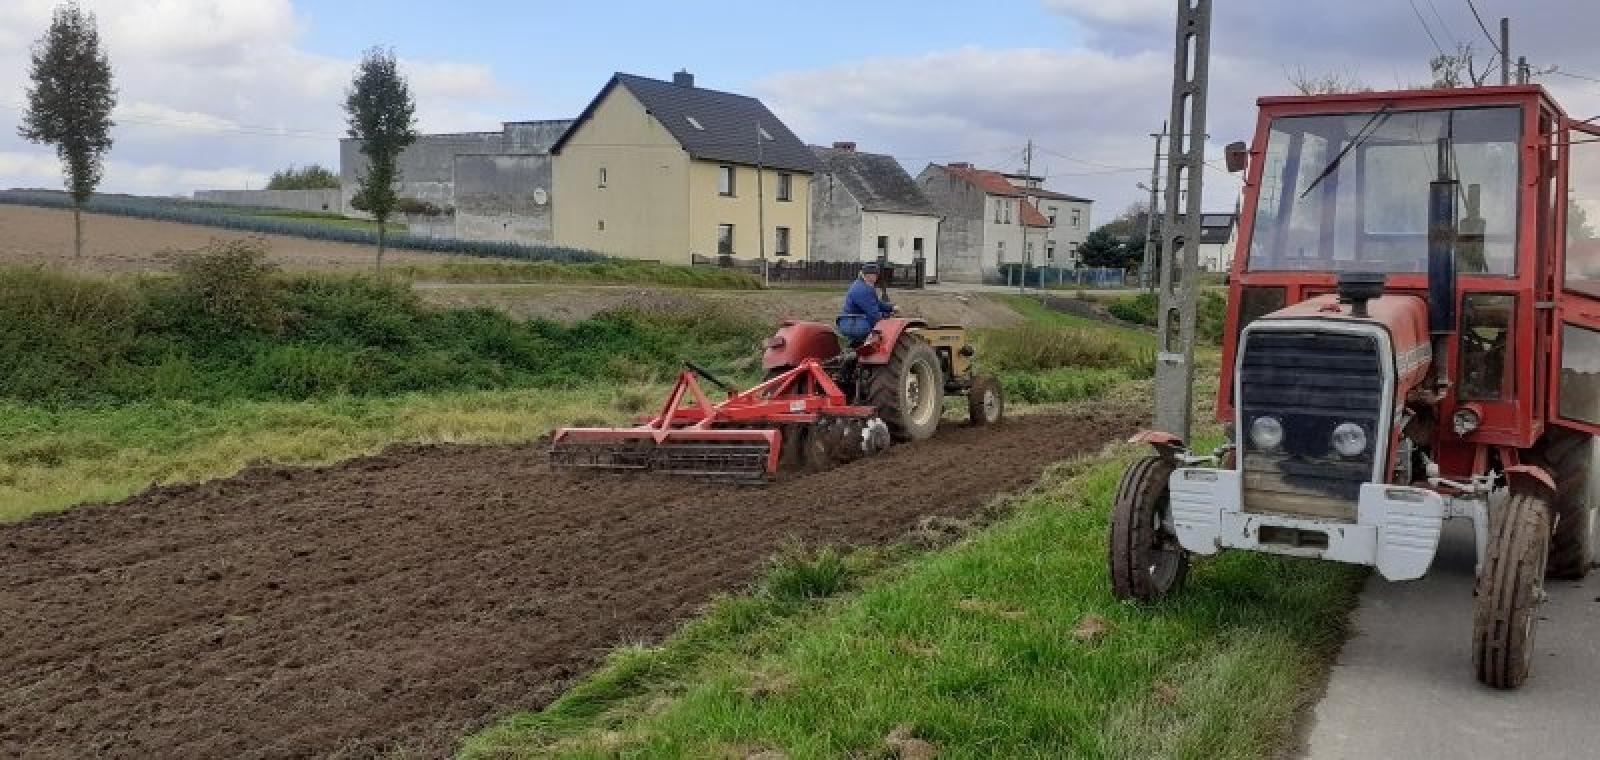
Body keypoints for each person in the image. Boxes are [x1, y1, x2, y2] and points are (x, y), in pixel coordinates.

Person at [838, 262, 895, 345]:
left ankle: (856, 347)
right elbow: (874, 315)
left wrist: (891, 307)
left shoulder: (860, 284)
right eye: (875, 274)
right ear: (869, 275)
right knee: (887, 332)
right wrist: (887, 316)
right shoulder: (864, 290)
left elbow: (875, 302)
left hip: (848, 322)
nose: (877, 277)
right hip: (856, 325)